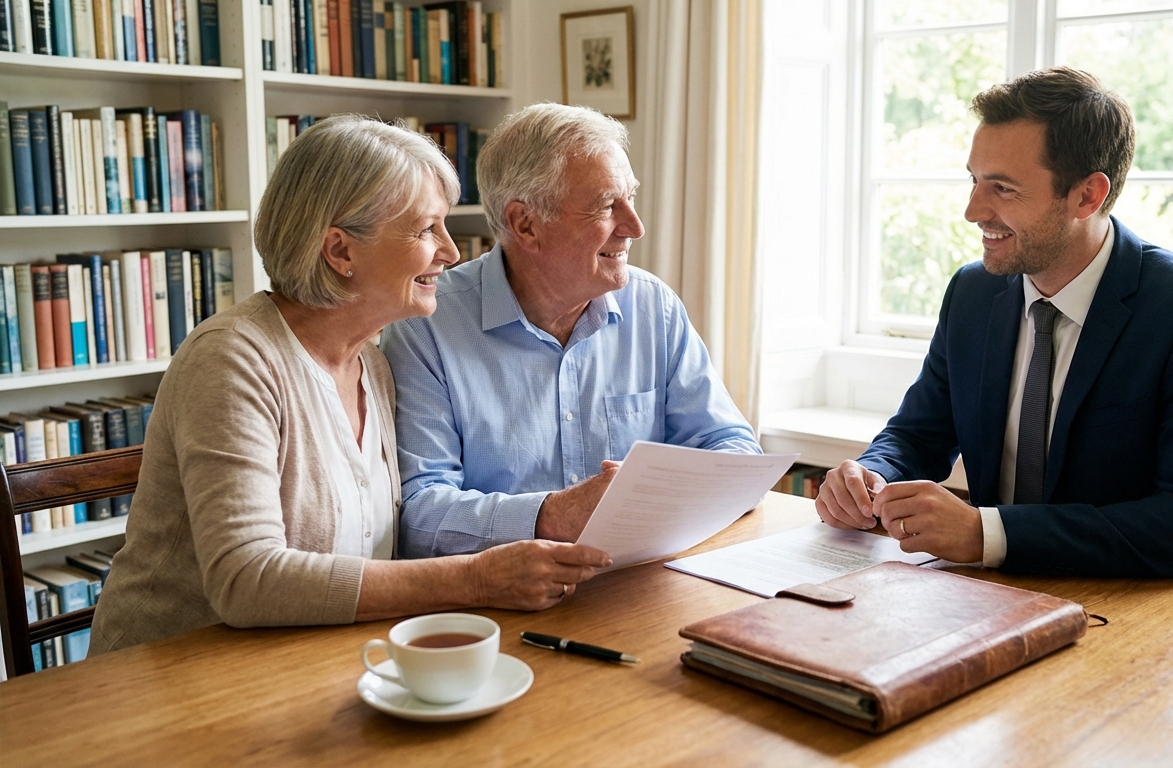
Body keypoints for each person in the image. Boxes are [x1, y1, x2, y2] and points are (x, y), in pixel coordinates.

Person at [90, 115, 610, 655]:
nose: (452, 252)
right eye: (426, 229)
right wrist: (476, 578)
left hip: (310, 667)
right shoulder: (232, 358)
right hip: (164, 681)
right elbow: (245, 579)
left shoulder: (374, 367)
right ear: (341, 251)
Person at [816, 67, 1173, 581]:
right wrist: (873, 475)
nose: (972, 211)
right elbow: (920, 433)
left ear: (1087, 196)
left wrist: (987, 534)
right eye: (974, 181)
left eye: (1003, 189)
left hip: (1153, 613)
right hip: (997, 597)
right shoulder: (973, 293)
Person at [381, 103, 761, 558]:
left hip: (640, 582)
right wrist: (554, 515)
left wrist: (667, 494)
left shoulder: (652, 306)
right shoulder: (427, 325)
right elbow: (421, 515)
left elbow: (733, 448)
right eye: (606, 205)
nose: (634, 227)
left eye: (631, 198)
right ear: (526, 224)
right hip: (505, 603)